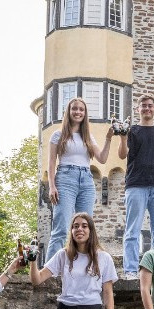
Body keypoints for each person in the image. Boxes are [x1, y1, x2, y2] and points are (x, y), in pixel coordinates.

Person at [46, 97, 116, 261]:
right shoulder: (58, 135)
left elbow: (102, 159)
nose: (78, 112)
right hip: (65, 178)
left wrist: (108, 138)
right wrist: (51, 186)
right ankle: (48, 274)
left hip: (86, 180)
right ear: (68, 112)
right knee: (62, 228)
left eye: (81, 110)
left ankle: (81, 268)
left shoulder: (88, 137)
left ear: (85, 114)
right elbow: (51, 163)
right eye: (74, 109)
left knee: (85, 228)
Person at [117, 94, 154, 280]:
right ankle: (131, 270)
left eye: (150, 105)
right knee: (132, 229)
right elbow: (121, 155)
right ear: (138, 109)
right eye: (143, 106)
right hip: (136, 185)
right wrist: (123, 137)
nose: (147, 108)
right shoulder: (132, 132)